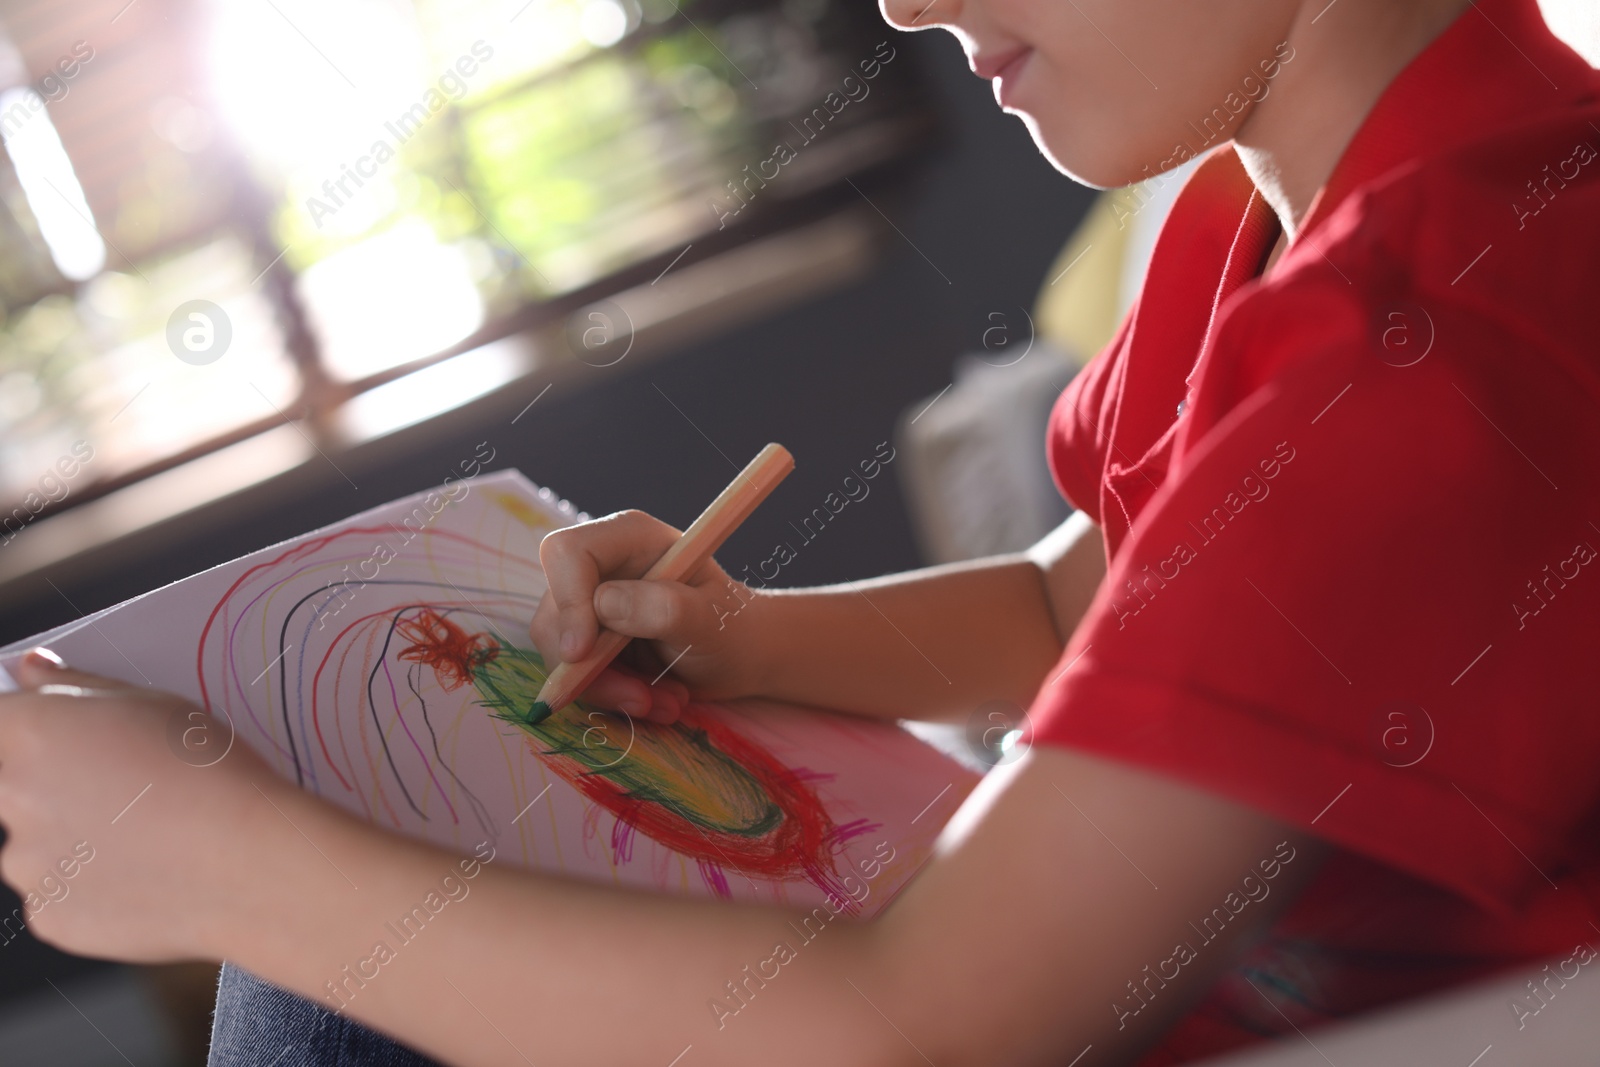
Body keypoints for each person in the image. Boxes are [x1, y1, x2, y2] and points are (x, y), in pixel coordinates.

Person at [2, 0, 1597, 1063]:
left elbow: (928, 1034)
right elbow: (1077, 610)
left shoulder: (1425, 331)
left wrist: (223, 871)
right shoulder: (1266, 221)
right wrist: (748, 638)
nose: (902, 2)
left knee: (335, 980)